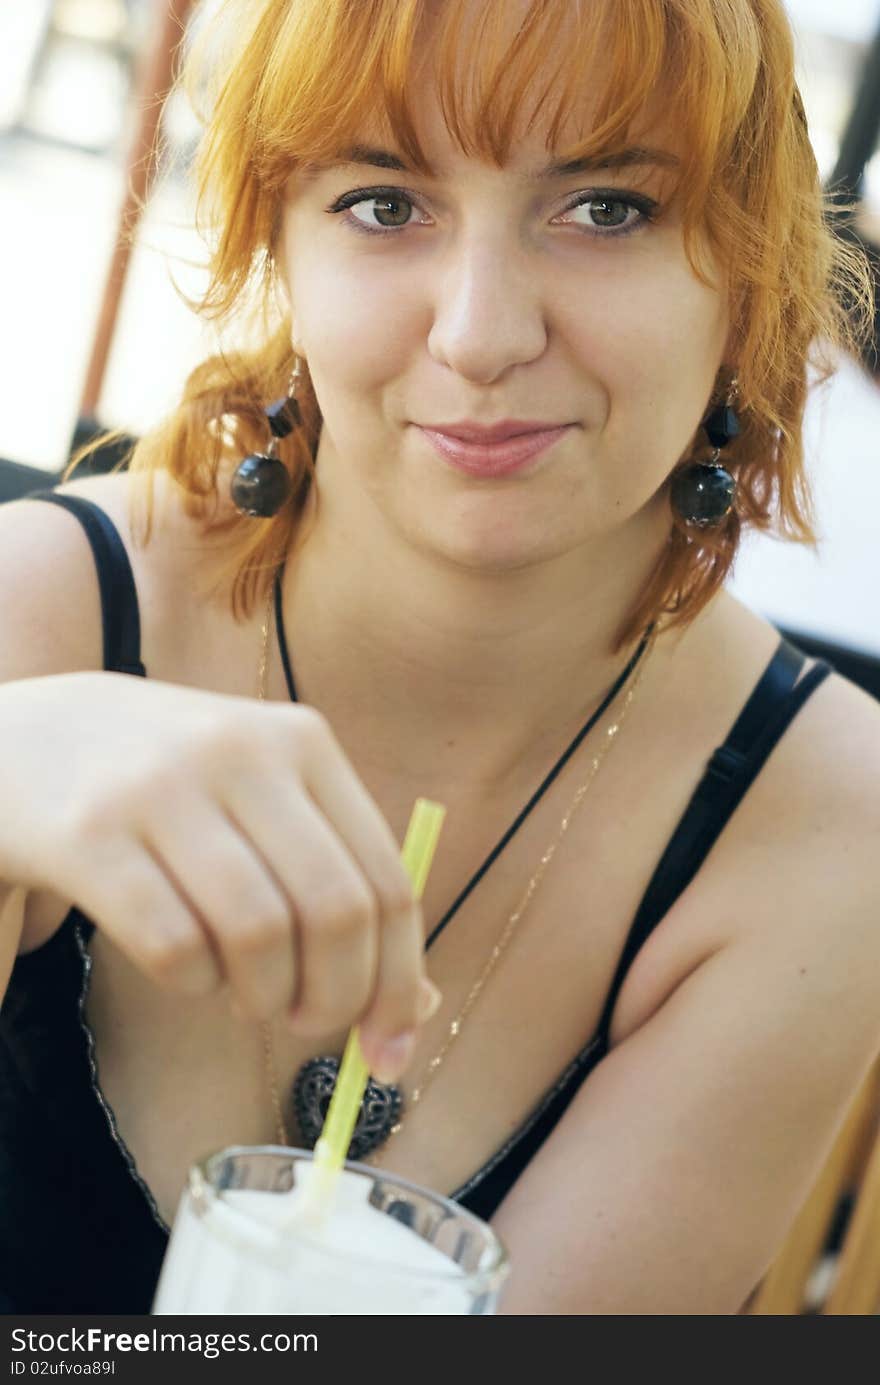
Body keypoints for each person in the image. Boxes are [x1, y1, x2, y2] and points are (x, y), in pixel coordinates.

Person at [0, 0, 878, 1316]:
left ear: (748, 276)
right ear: (275, 248)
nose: (480, 334)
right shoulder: (46, 617)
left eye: (607, 209)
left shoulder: (821, 822)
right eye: (382, 202)